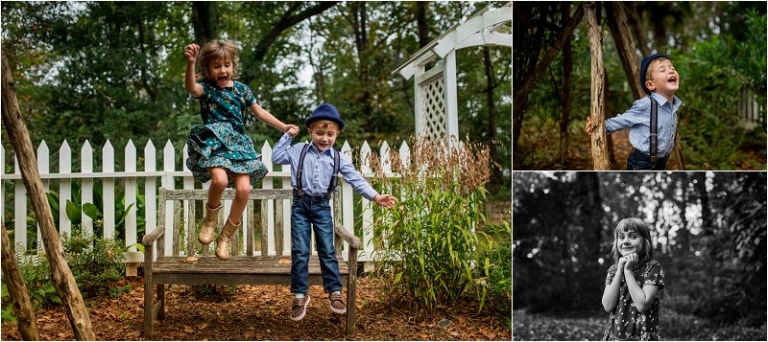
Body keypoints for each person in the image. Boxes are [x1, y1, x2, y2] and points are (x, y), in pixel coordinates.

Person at [272, 103, 397, 321]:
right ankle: (300, 295)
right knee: (300, 251)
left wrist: (376, 196)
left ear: (337, 134)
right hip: (300, 205)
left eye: (330, 134)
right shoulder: (298, 150)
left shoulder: (338, 158)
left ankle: (334, 292)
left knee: (327, 251)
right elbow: (276, 157)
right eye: (319, 133)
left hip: (321, 207)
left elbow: (356, 179)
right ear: (310, 131)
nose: (324, 138)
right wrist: (287, 136)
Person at [184, 40, 299, 260]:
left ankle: (226, 235)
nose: (223, 70)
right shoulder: (207, 89)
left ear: (233, 67)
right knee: (218, 181)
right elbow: (192, 87)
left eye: (226, 65)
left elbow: (259, 111)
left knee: (244, 189)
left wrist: (283, 126)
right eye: (217, 66)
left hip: (238, 143)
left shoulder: (242, 90)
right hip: (216, 140)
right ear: (208, 69)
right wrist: (191, 63)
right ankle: (210, 221)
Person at [586, 53, 683, 170]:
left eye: (672, 68)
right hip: (643, 163)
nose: (671, 71)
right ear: (651, 85)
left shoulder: (674, 106)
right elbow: (623, 120)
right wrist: (599, 126)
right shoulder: (647, 105)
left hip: (661, 162)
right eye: (662, 70)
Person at [601, 218, 665, 341]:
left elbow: (642, 305)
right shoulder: (614, 271)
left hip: (642, 336)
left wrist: (628, 271)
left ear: (645, 242)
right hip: (616, 337)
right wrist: (620, 271)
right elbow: (607, 306)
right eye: (621, 237)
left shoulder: (652, 267)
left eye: (633, 236)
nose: (625, 241)